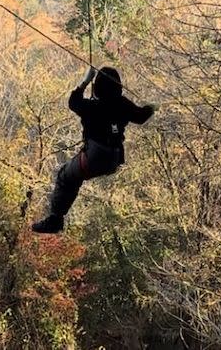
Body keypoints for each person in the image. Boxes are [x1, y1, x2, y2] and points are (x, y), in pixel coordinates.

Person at [31, 65, 156, 234]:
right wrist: (152, 108)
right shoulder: (123, 104)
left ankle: (55, 220)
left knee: (64, 176)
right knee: (74, 178)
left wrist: (84, 82)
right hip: (114, 158)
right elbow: (141, 116)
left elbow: (73, 102)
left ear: (97, 87)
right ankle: (56, 219)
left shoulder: (91, 106)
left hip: (94, 157)